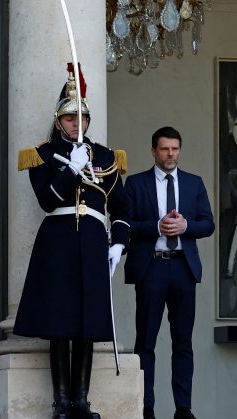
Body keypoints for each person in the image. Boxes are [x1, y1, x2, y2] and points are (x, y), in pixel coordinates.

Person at [15, 66, 129, 419]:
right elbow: (47, 200)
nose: (77, 123)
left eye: (82, 117)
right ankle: (61, 402)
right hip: (58, 243)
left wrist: (118, 244)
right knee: (60, 324)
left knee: (86, 324)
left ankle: (81, 401)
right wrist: (70, 169)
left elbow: (121, 207)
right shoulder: (42, 155)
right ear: (58, 119)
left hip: (94, 241)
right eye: (70, 117)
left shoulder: (107, 156)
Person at [119, 126, 215, 419]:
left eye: (175, 148)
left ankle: (183, 408)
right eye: (164, 149)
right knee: (145, 341)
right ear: (153, 151)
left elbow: (208, 224)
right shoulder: (135, 184)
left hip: (183, 268)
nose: (170, 154)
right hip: (152, 267)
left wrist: (186, 227)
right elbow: (124, 224)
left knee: (183, 342)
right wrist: (156, 227)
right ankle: (145, 406)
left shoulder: (193, 183)